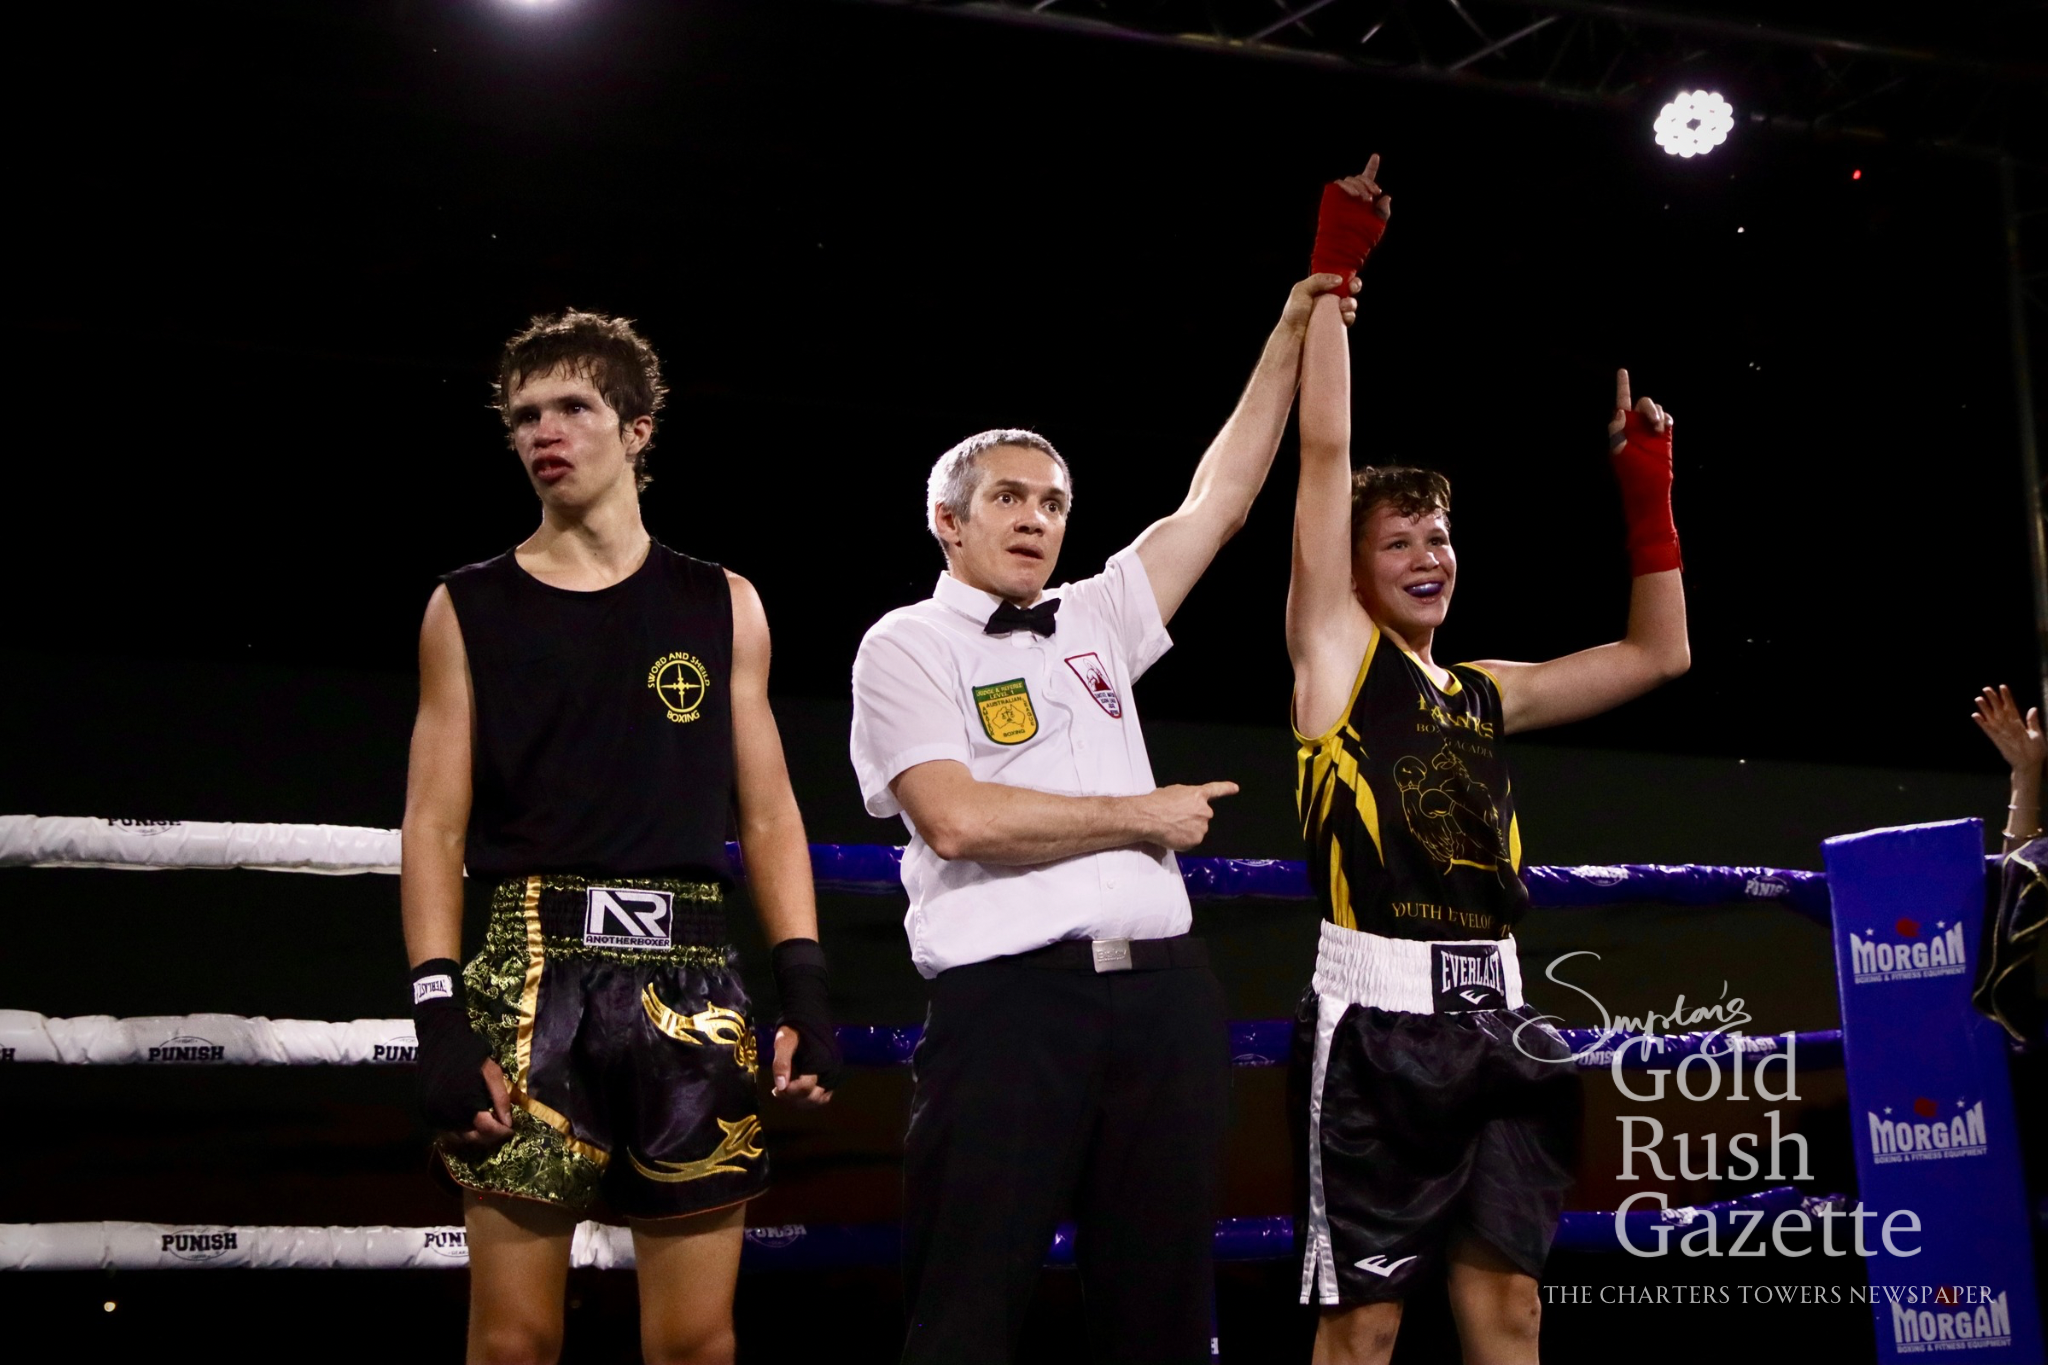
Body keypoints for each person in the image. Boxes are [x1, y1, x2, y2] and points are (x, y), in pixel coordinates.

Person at [849, 270, 1359, 1364]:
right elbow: (954, 819)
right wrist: (1141, 815)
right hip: (1009, 1008)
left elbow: (1219, 498)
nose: (1035, 518)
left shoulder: (1097, 616)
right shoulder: (905, 644)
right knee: (965, 1311)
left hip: (1166, 1001)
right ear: (947, 520)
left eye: (1052, 503)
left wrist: (1289, 328)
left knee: (1162, 1312)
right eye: (1009, 498)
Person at [1285, 160, 1692, 1365]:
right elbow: (1322, 457)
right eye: (1398, 541)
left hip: (1502, 1017)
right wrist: (1335, 274)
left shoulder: (1481, 691)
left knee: (1510, 1313)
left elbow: (1657, 655)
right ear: (1352, 570)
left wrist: (1645, 495)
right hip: (1375, 1025)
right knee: (1362, 1330)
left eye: (1440, 535)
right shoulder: (1333, 664)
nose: (1429, 555)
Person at [399, 310, 841, 1365]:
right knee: (513, 1339)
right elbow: (434, 823)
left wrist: (807, 988)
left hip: (691, 976)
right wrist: (437, 1014)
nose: (543, 432)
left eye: (572, 407)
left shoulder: (722, 603)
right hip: (528, 975)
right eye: (524, 417)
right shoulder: (467, 606)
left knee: (695, 1339)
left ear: (637, 429)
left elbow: (769, 812)